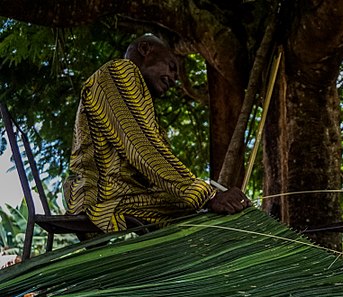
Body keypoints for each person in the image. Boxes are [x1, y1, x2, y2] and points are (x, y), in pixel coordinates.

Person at [65, 34, 250, 234]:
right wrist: (208, 195)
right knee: (206, 215)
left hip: (125, 196)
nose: (174, 78)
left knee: (202, 214)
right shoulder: (120, 71)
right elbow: (144, 148)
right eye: (171, 66)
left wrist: (207, 194)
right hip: (105, 196)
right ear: (145, 49)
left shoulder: (141, 99)